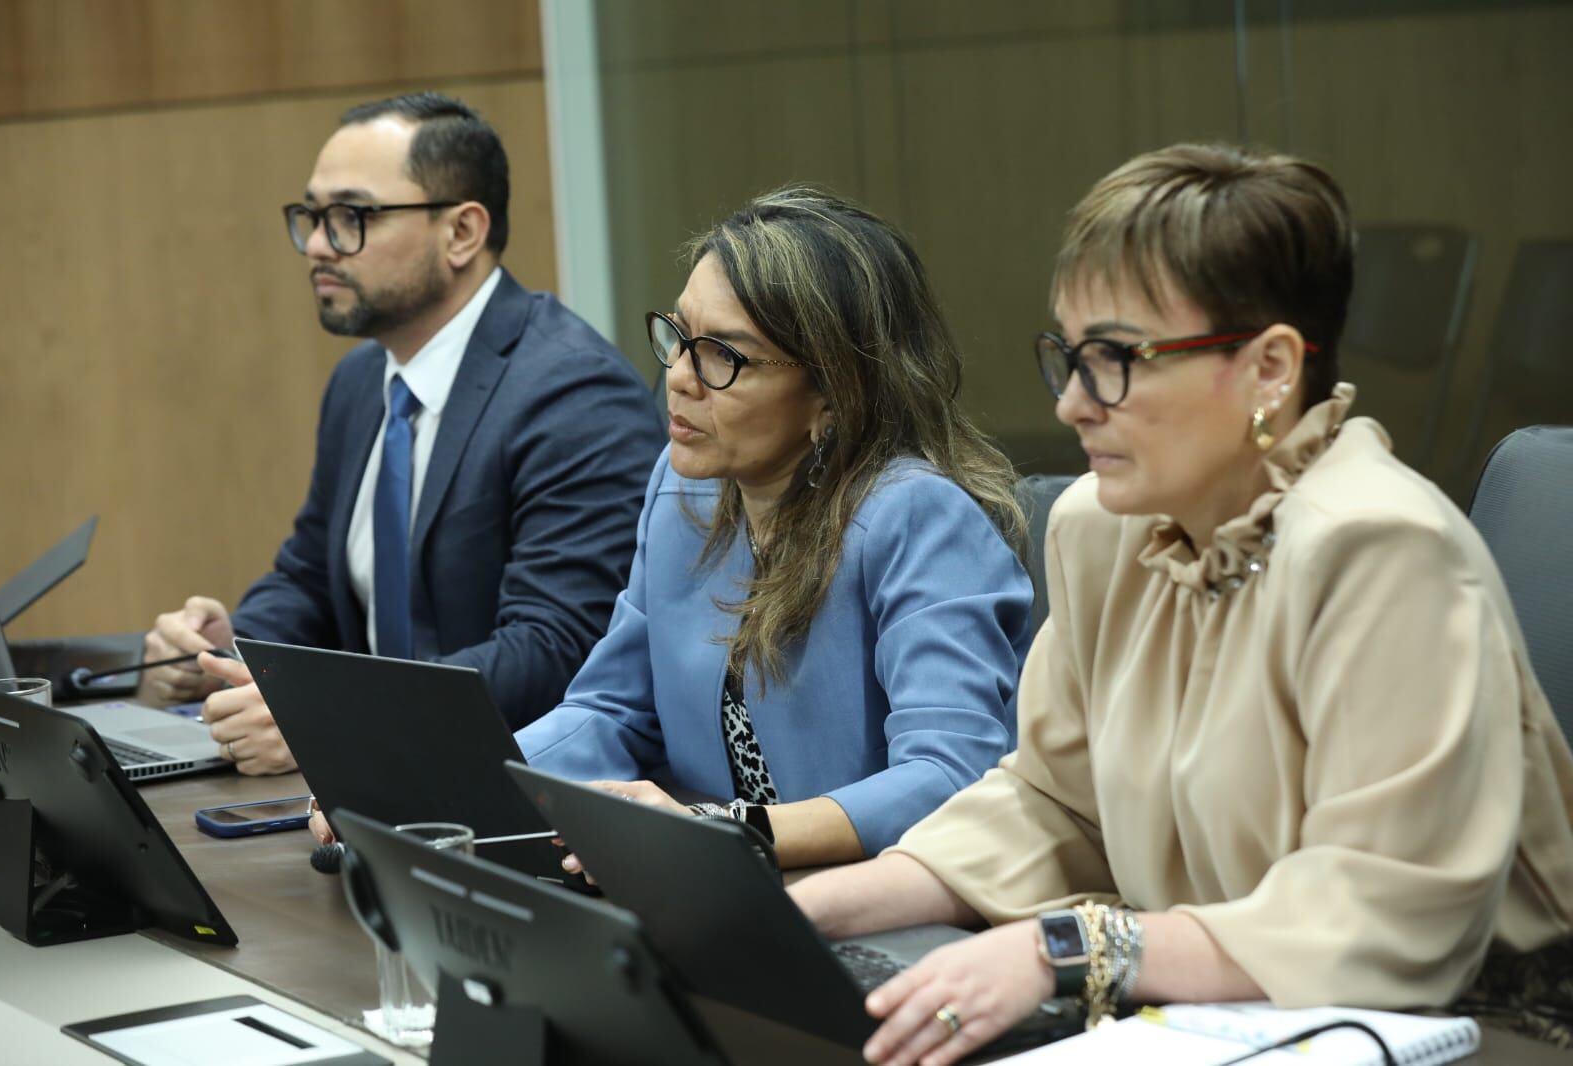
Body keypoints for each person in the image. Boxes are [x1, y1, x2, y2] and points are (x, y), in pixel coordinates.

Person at [789, 143, 1573, 1064]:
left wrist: (1063, 952)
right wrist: (804, 906)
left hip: (1469, 1028)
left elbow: (1379, 917)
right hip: (1219, 1015)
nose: (1077, 403)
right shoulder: (1098, 527)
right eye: (1070, 357)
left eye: (1117, 358)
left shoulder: (1384, 547)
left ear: (1272, 367)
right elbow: (1051, 805)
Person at [139, 92, 663, 775]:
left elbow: (554, 648)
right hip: (379, 790)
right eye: (313, 216)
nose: (320, 246)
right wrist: (227, 651)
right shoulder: (362, 382)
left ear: (463, 233)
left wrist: (334, 716)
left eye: (353, 217)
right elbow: (311, 580)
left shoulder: (572, 394)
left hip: (520, 793)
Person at [513, 187, 1035, 869]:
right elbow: (612, 711)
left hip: (890, 911)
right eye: (678, 337)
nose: (677, 377)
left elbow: (949, 778)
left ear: (833, 394)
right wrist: (440, 788)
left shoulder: (917, 518)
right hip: (730, 892)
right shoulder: (685, 495)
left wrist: (730, 829)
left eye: (723, 357)